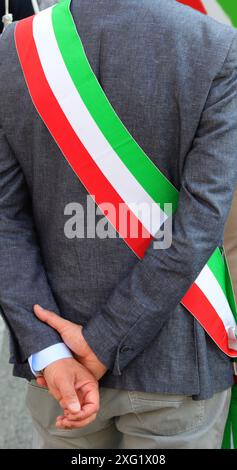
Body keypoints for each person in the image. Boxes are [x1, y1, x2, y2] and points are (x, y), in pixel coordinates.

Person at [0, 0, 237, 449]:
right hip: (176, 360)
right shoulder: (215, 45)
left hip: (60, 368)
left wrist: (50, 350)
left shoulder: (15, 48)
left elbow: (5, 221)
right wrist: (106, 340)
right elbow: (203, 219)